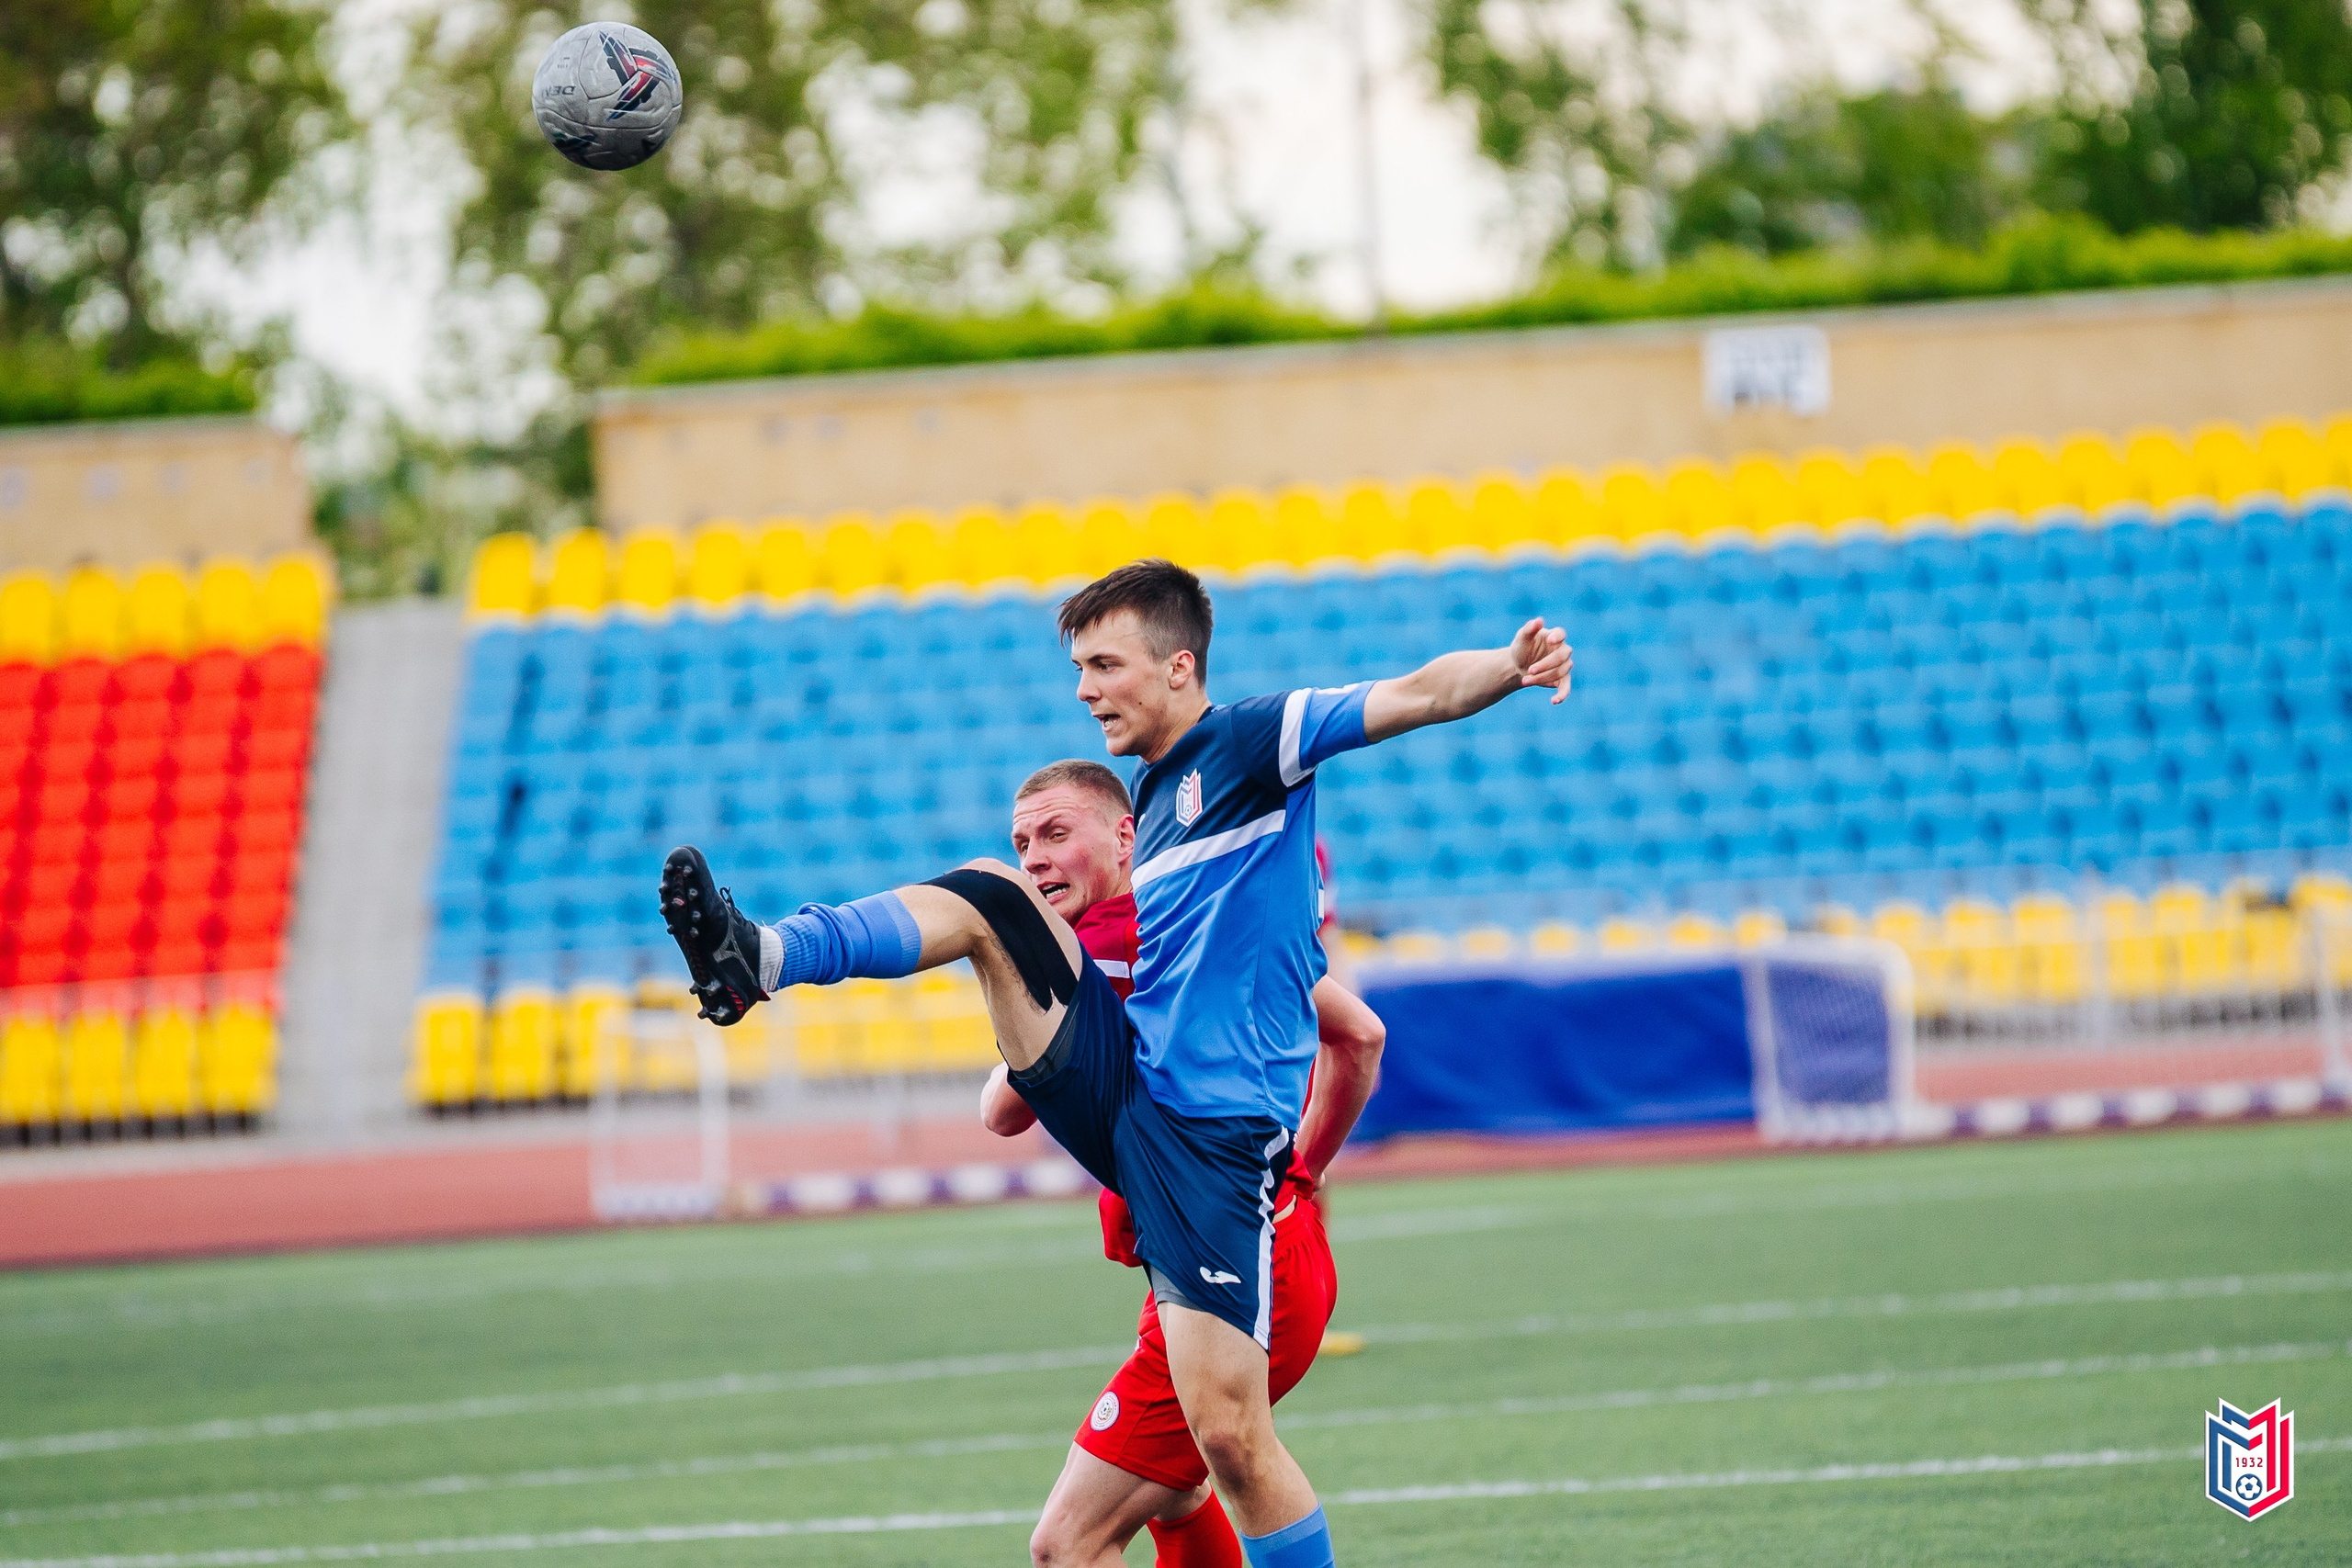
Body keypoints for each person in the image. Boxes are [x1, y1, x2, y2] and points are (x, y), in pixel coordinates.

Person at [660, 557, 1571, 1567]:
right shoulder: (1148, 811)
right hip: (1136, 1103)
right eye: (1078, 670)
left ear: (1178, 667)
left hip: (1216, 1147)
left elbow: (1413, 695)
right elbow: (1014, 1096)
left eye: (1104, 665)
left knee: (1226, 1445)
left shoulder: (1247, 743)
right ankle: (764, 957)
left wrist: (1507, 666)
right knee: (992, 895)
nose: (1085, 690)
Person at [980, 758, 1385, 1568]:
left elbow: (1001, 1111)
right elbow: (1362, 1037)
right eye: (1022, 844)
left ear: (1127, 836)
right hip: (1268, 1245)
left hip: (1229, 1265)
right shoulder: (1210, 914)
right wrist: (1301, 1172)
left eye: (1057, 834)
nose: (1036, 859)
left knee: (1068, 1543)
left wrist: (1026, 991)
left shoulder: (1091, 951)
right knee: (1182, 1485)